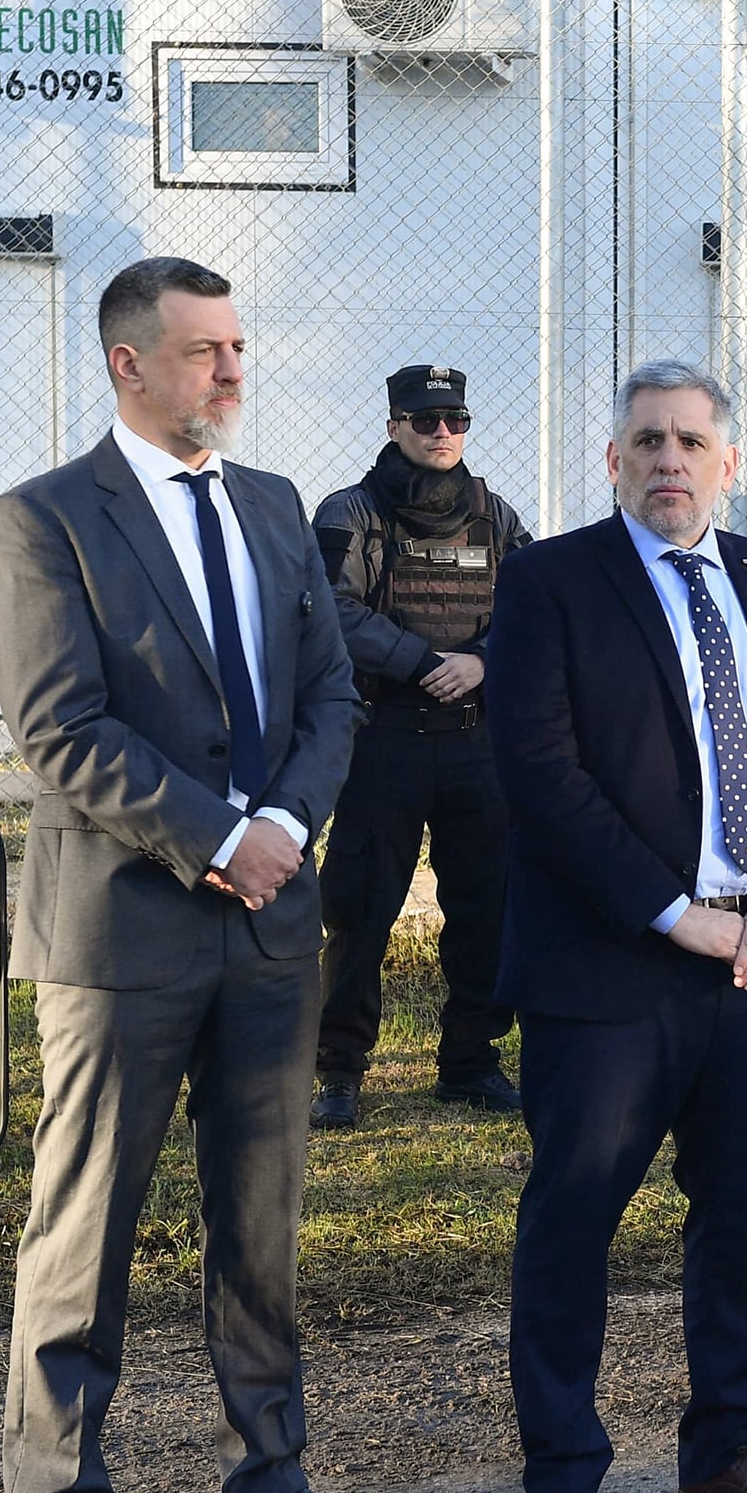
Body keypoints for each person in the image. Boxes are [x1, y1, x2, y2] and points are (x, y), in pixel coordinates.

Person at [0, 257, 373, 1493]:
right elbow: (59, 726)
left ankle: (269, 1490)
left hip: (269, 931)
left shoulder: (271, 505)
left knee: (259, 1228)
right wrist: (217, 837)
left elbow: (332, 695)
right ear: (128, 362)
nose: (232, 370)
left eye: (237, 346)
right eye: (206, 350)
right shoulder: (43, 520)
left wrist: (283, 826)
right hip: (122, 935)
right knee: (83, 1234)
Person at [487, 360, 747, 1493]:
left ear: (728, 462)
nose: (669, 460)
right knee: (574, 1216)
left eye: (691, 441)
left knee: (741, 1213)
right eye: (646, 440)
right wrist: (669, 910)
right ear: (613, 460)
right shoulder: (549, 580)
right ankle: (563, 1476)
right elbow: (539, 772)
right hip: (610, 967)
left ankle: (725, 1448)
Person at [307, 364, 535, 1128]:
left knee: (487, 907)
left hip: (476, 742)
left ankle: (470, 1063)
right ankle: (339, 1071)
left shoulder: (495, 516)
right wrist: (419, 661)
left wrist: (483, 662)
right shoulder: (352, 511)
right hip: (385, 741)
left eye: (455, 420)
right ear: (394, 426)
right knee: (359, 910)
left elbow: (536, 607)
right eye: (426, 420)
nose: (443, 433)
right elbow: (327, 608)